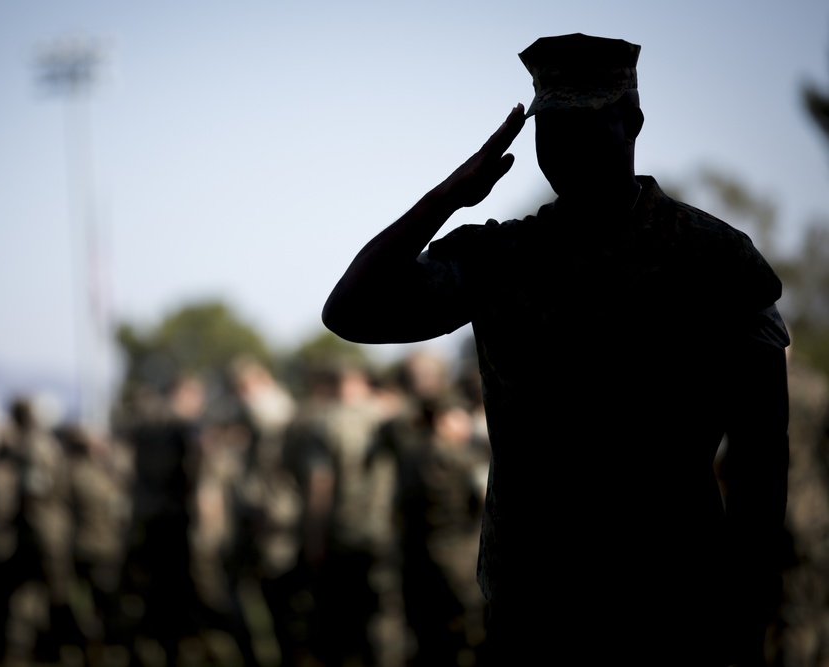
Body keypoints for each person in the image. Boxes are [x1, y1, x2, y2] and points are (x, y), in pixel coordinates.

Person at [322, 33, 790, 666]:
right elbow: (353, 309)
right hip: (535, 612)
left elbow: (762, 457)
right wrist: (449, 197)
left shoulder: (711, 257)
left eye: (591, 123)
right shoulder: (500, 260)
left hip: (672, 610)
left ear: (633, 122)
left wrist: (744, 615)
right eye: (555, 127)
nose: (571, 145)